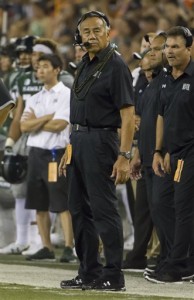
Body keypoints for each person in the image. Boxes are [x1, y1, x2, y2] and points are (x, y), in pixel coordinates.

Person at [59, 11, 135, 291]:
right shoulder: (85, 63)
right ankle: (89, 271)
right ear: (79, 37)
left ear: (107, 33)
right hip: (78, 141)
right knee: (78, 210)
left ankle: (114, 275)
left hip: (101, 141)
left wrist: (124, 156)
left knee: (104, 210)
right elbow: (77, 112)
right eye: (85, 32)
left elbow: (128, 114)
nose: (90, 36)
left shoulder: (115, 65)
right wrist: (70, 149)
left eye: (96, 31)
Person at [20, 53, 75, 262]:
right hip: (35, 153)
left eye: (44, 66)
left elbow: (60, 125)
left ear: (57, 69)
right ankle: (46, 246)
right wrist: (47, 117)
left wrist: (37, 121)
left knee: (61, 202)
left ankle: (69, 246)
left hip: (56, 153)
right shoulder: (35, 97)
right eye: (38, 67)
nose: (40, 70)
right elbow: (24, 126)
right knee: (38, 203)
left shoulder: (66, 94)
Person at [150, 26, 194, 283]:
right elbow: (161, 116)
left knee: (183, 206)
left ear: (189, 49)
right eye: (167, 47)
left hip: (191, 151)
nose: (169, 52)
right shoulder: (165, 78)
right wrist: (160, 150)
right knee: (160, 202)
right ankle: (174, 257)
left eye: (175, 47)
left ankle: (179, 265)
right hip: (172, 153)